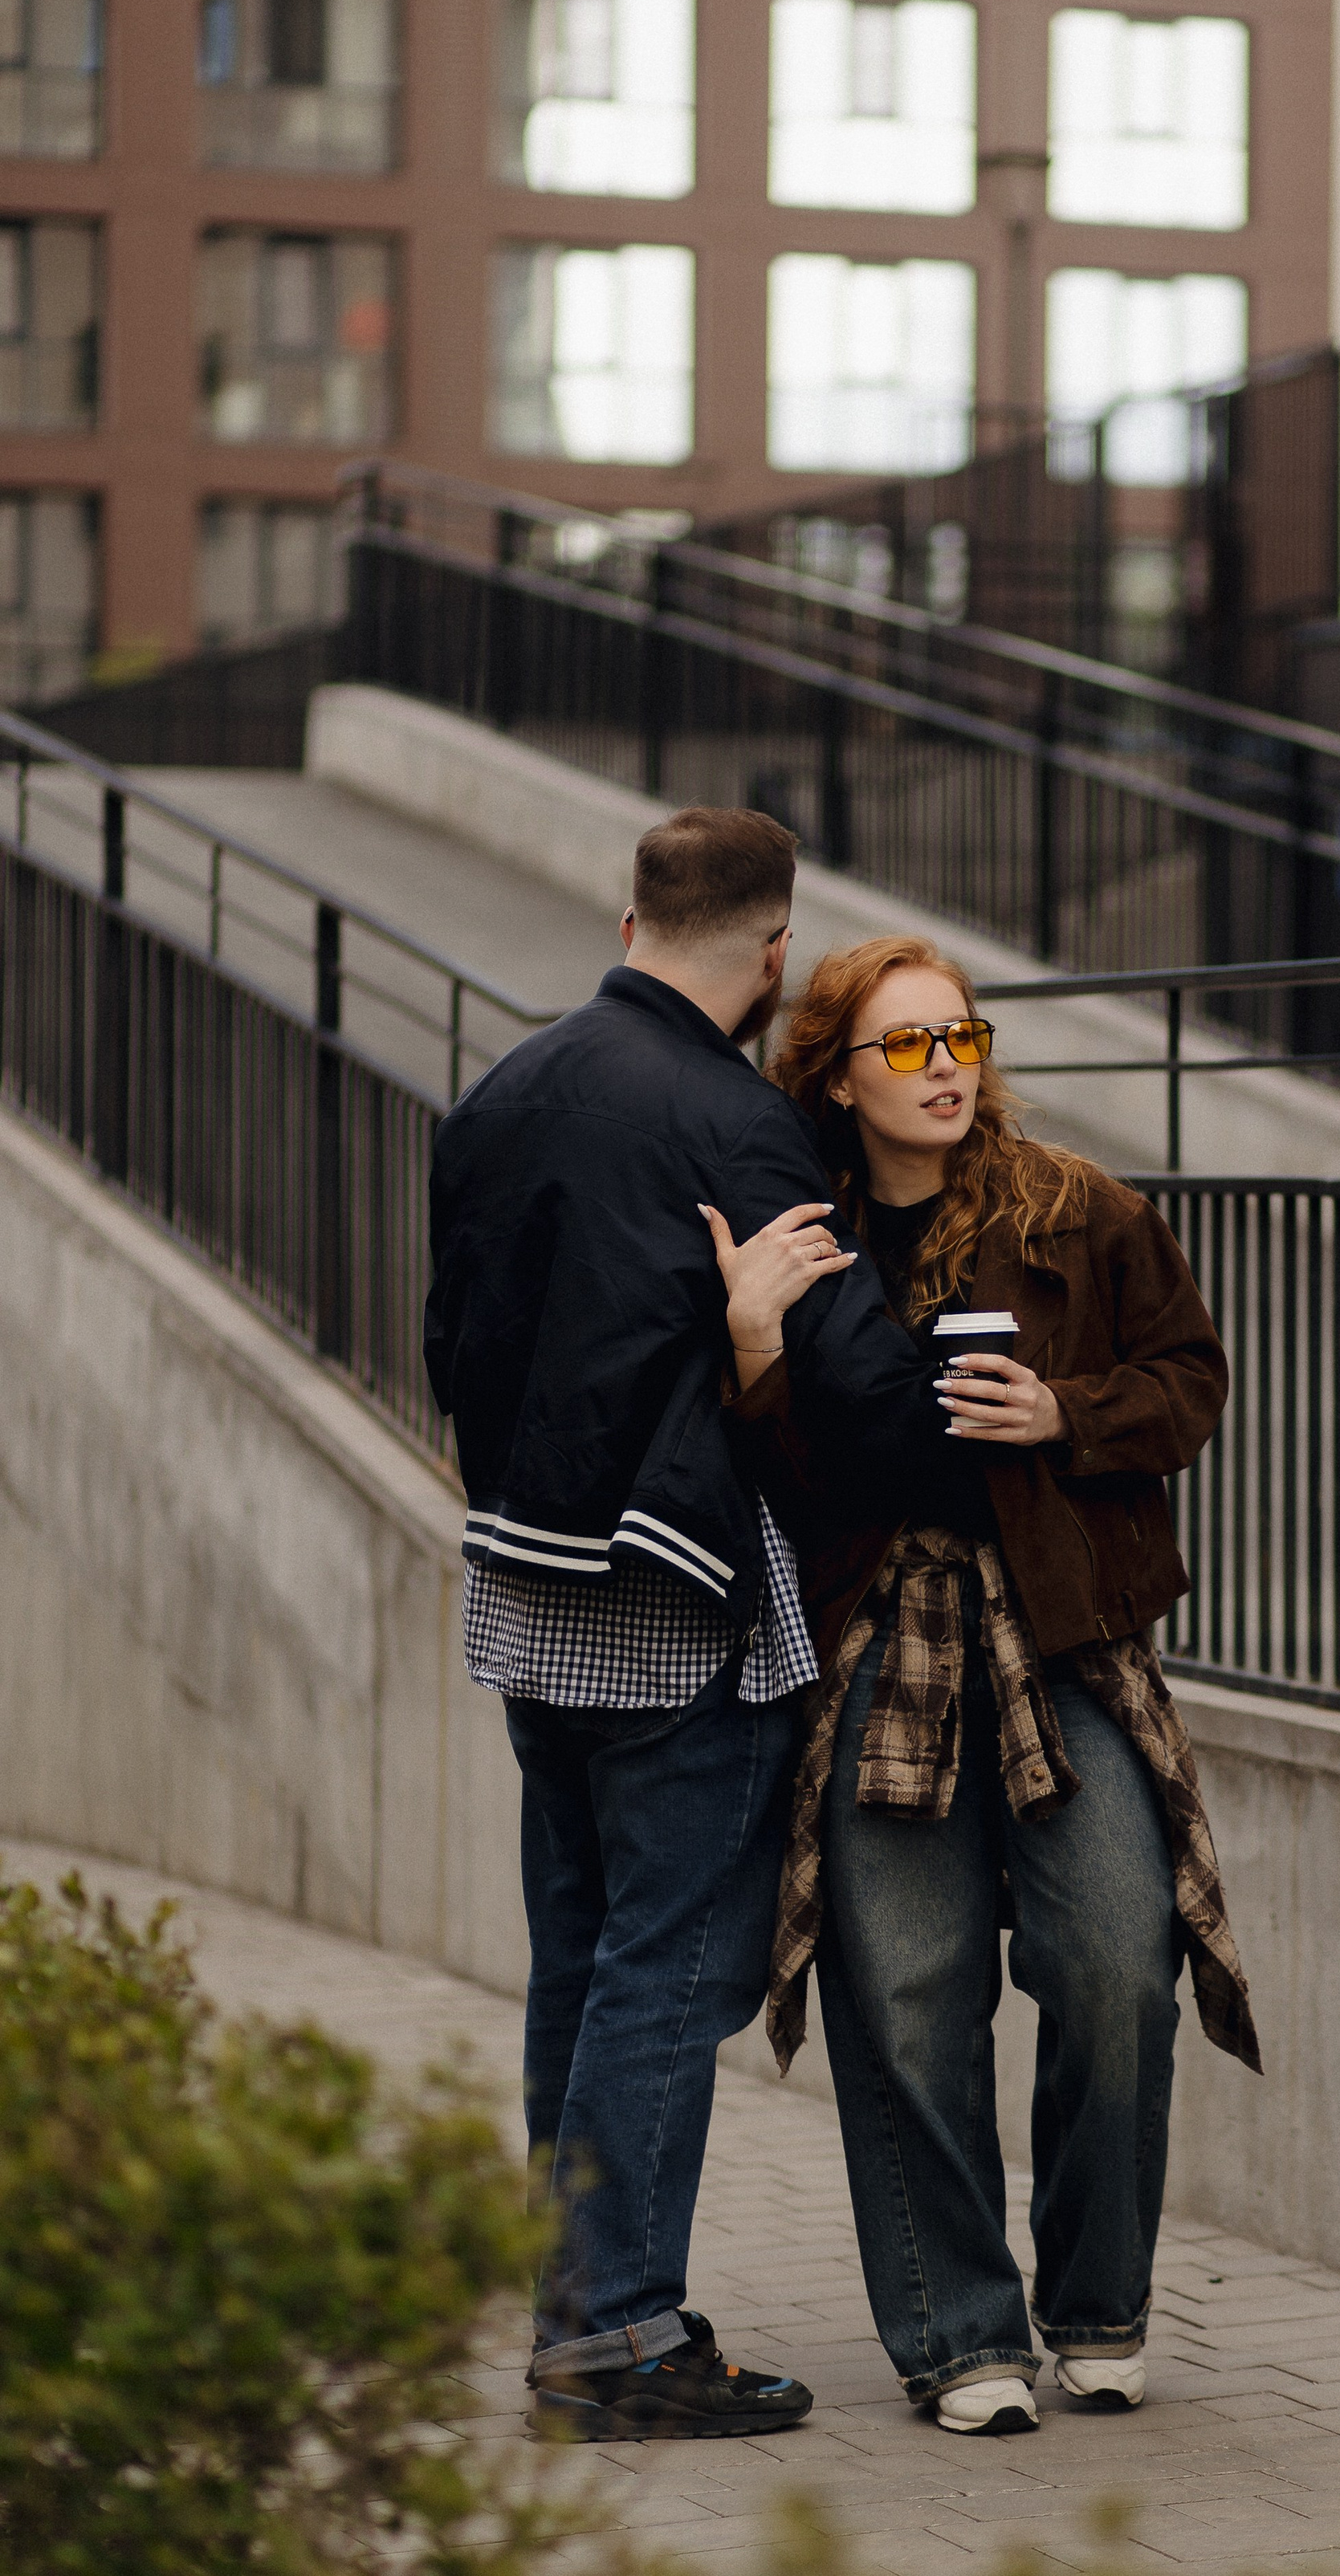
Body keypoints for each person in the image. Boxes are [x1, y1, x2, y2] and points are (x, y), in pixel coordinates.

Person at [422, 811, 946, 2444]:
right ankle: (620, 2336)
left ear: (632, 910)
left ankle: (576, 2304)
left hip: (525, 1593)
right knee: (667, 1969)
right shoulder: (735, 1122)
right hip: (671, 1612)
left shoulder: (500, 1094)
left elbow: (459, 1341)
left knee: (578, 1960)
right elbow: (852, 1383)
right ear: (776, 950)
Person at [704, 934, 1261, 2441]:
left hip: (1059, 1635)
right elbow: (773, 1465)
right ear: (835, 1071)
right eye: (905, 1046)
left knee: (1112, 1958)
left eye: (960, 1035)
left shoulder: (1079, 1210)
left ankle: (1095, 2304)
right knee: (906, 1996)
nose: (945, 1064)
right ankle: (960, 2331)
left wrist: (1062, 1411)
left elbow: (1191, 1385)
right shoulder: (803, 1240)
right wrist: (756, 1343)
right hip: (879, 1639)